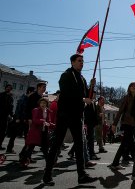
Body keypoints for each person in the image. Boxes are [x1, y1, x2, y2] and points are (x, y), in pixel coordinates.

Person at [42, 53, 97, 185]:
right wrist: (83, 99)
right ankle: (47, 175)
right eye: (79, 61)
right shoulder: (66, 75)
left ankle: (82, 175)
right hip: (65, 115)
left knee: (79, 146)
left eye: (83, 61)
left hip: (77, 116)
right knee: (56, 145)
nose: (81, 63)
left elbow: (85, 94)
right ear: (72, 62)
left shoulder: (82, 78)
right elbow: (66, 93)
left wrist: (91, 86)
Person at [109, 82, 135, 170]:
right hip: (126, 123)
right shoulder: (126, 98)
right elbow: (120, 111)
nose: (133, 87)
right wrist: (114, 124)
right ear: (129, 88)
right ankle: (115, 163)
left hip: (133, 124)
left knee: (132, 144)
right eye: (132, 86)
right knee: (126, 143)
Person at [19, 98, 53, 166]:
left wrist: (52, 124)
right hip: (36, 132)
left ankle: (49, 164)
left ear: (47, 104)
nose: (43, 104)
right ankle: (23, 160)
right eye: (41, 103)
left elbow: (48, 121)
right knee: (31, 147)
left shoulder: (48, 111)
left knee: (45, 148)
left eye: (44, 103)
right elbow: (35, 120)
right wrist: (43, 121)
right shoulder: (36, 110)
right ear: (39, 103)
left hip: (44, 132)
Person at [6, 86, 36, 153]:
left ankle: (27, 149)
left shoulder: (27, 99)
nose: (34, 94)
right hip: (20, 119)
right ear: (29, 92)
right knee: (15, 135)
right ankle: (10, 149)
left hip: (24, 119)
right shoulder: (23, 99)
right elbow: (18, 109)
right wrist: (17, 118)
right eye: (33, 92)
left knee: (25, 135)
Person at [0, 84, 14, 150]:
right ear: (5, 88)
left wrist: (11, 115)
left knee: (3, 132)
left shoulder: (11, 97)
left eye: (10, 88)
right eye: (7, 87)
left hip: (5, 117)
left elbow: (10, 107)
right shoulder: (1, 95)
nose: (8, 89)